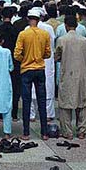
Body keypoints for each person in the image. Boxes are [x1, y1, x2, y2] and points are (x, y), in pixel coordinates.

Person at [14, 10, 51, 140]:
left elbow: (17, 54)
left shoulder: (23, 34)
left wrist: (25, 59)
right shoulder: (45, 34)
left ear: (28, 19)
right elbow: (48, 53)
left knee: (26, 101)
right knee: (41, 101)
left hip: (26, 70)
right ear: (39, 19)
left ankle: (26, 133)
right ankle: (44, 132)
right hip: (40, 69)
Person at [55, 14, 86, 140]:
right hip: (82, 75)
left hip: (67, 74)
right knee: (82, 103)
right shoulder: (84, 41)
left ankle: (67, 132)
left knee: (65, 104)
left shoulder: (62, 40)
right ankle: (82, 131)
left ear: (65, 25)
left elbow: (57, 56)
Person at [0, 7, 20, 121]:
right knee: (14, 88)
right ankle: (13, 113)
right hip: (14, 61)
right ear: (12, 16)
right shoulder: (16, 30)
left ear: (2, 16)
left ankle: (0, 113)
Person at [31, 8, 56, 123]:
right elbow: (52, 44)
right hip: (47, 60)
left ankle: (31, 114)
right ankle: (48, 114)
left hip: (31, 61)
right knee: (48, 87)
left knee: (31, 88)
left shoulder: (27, 29)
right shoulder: (48, 28)